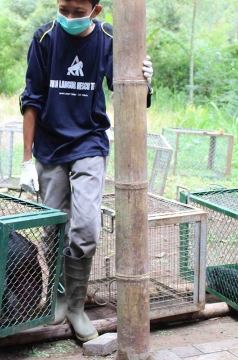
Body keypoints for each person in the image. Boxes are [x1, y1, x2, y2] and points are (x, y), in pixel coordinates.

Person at [19, 0, 153, 342]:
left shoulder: (108, 38)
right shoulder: (45, 38)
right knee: (53, 228)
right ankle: (56, 297)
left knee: (86, 227)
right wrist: (25, 161)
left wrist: (144, 82)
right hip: (49, 148)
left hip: (89, 143)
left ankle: (75, 305)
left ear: (95, 10)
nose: (69, 18)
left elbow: (123, 86)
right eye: (63, 8)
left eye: (78, 12)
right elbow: (31, 99)